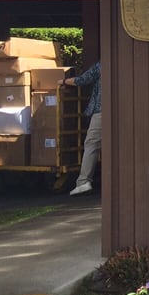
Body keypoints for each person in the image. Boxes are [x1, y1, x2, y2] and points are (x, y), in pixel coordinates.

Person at [62, 60, 101, 196]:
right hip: (125, 109)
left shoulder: (103, 64)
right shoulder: (130, 62)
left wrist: (63, 81)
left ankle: (83, 182)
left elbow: (83, 80)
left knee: (92, 144)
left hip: (102, 111)